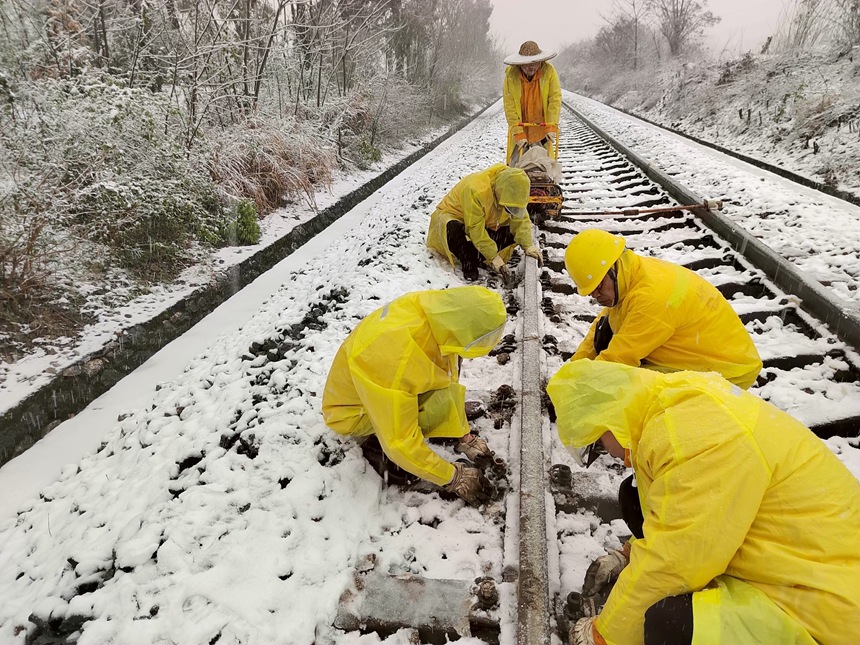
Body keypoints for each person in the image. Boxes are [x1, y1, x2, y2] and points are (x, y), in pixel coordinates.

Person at [547, 360, 860, 645]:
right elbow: (677, 511)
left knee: (669, 623)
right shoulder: (670, 404)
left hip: (825, 604)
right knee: (634, 496)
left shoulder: (692, 439)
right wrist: (628, 554)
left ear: (608, 420)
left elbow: (676, 560)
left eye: (600, 447)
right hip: (793, 554)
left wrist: (605, 635)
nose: (612, 456)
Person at [322, 286, 505, 506]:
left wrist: (463, 435)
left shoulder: (435, 314)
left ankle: (422, 429)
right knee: (401, 453)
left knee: (437, 390)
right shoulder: (397, 362)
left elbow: (448, 372)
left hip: (377, 383)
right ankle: (375, 446)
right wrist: (453, 477)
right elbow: (401, 442)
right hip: (353, 414)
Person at [564, 228, 762, 389]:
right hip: (699, 354)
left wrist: (577, 389)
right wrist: (575, 367)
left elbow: (619, 358)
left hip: (727, 372)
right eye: (591, 292)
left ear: (614, 269)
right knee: (606, 340)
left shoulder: (651, 298)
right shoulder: (632, 273)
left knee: (633, 389)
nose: (596, 295)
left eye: (598, 286)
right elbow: (602, 326)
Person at [426, 163, 542, 282]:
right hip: (454, 218)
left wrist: (528, 246)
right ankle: (468, 263)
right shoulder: (476, 190)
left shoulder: (513, 184)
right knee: (453, 228)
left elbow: (520, 218)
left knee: (512, 234)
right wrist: (494, 258)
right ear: (499, 193)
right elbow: (475, 228)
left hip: (481, 220)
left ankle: (476, 255)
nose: (511, 211)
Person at [503, 40, 562, 165]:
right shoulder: (511, 77)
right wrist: (518, 133)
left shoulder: (549, 72)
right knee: (515, 168)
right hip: (520, 128)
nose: (531, 67)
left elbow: (554, 99)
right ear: (520, 64)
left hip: (541, 130)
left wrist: (551, 126)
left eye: (534, 63)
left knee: (545, 167)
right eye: (527, 64)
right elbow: (510, 106)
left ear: (540, 61)